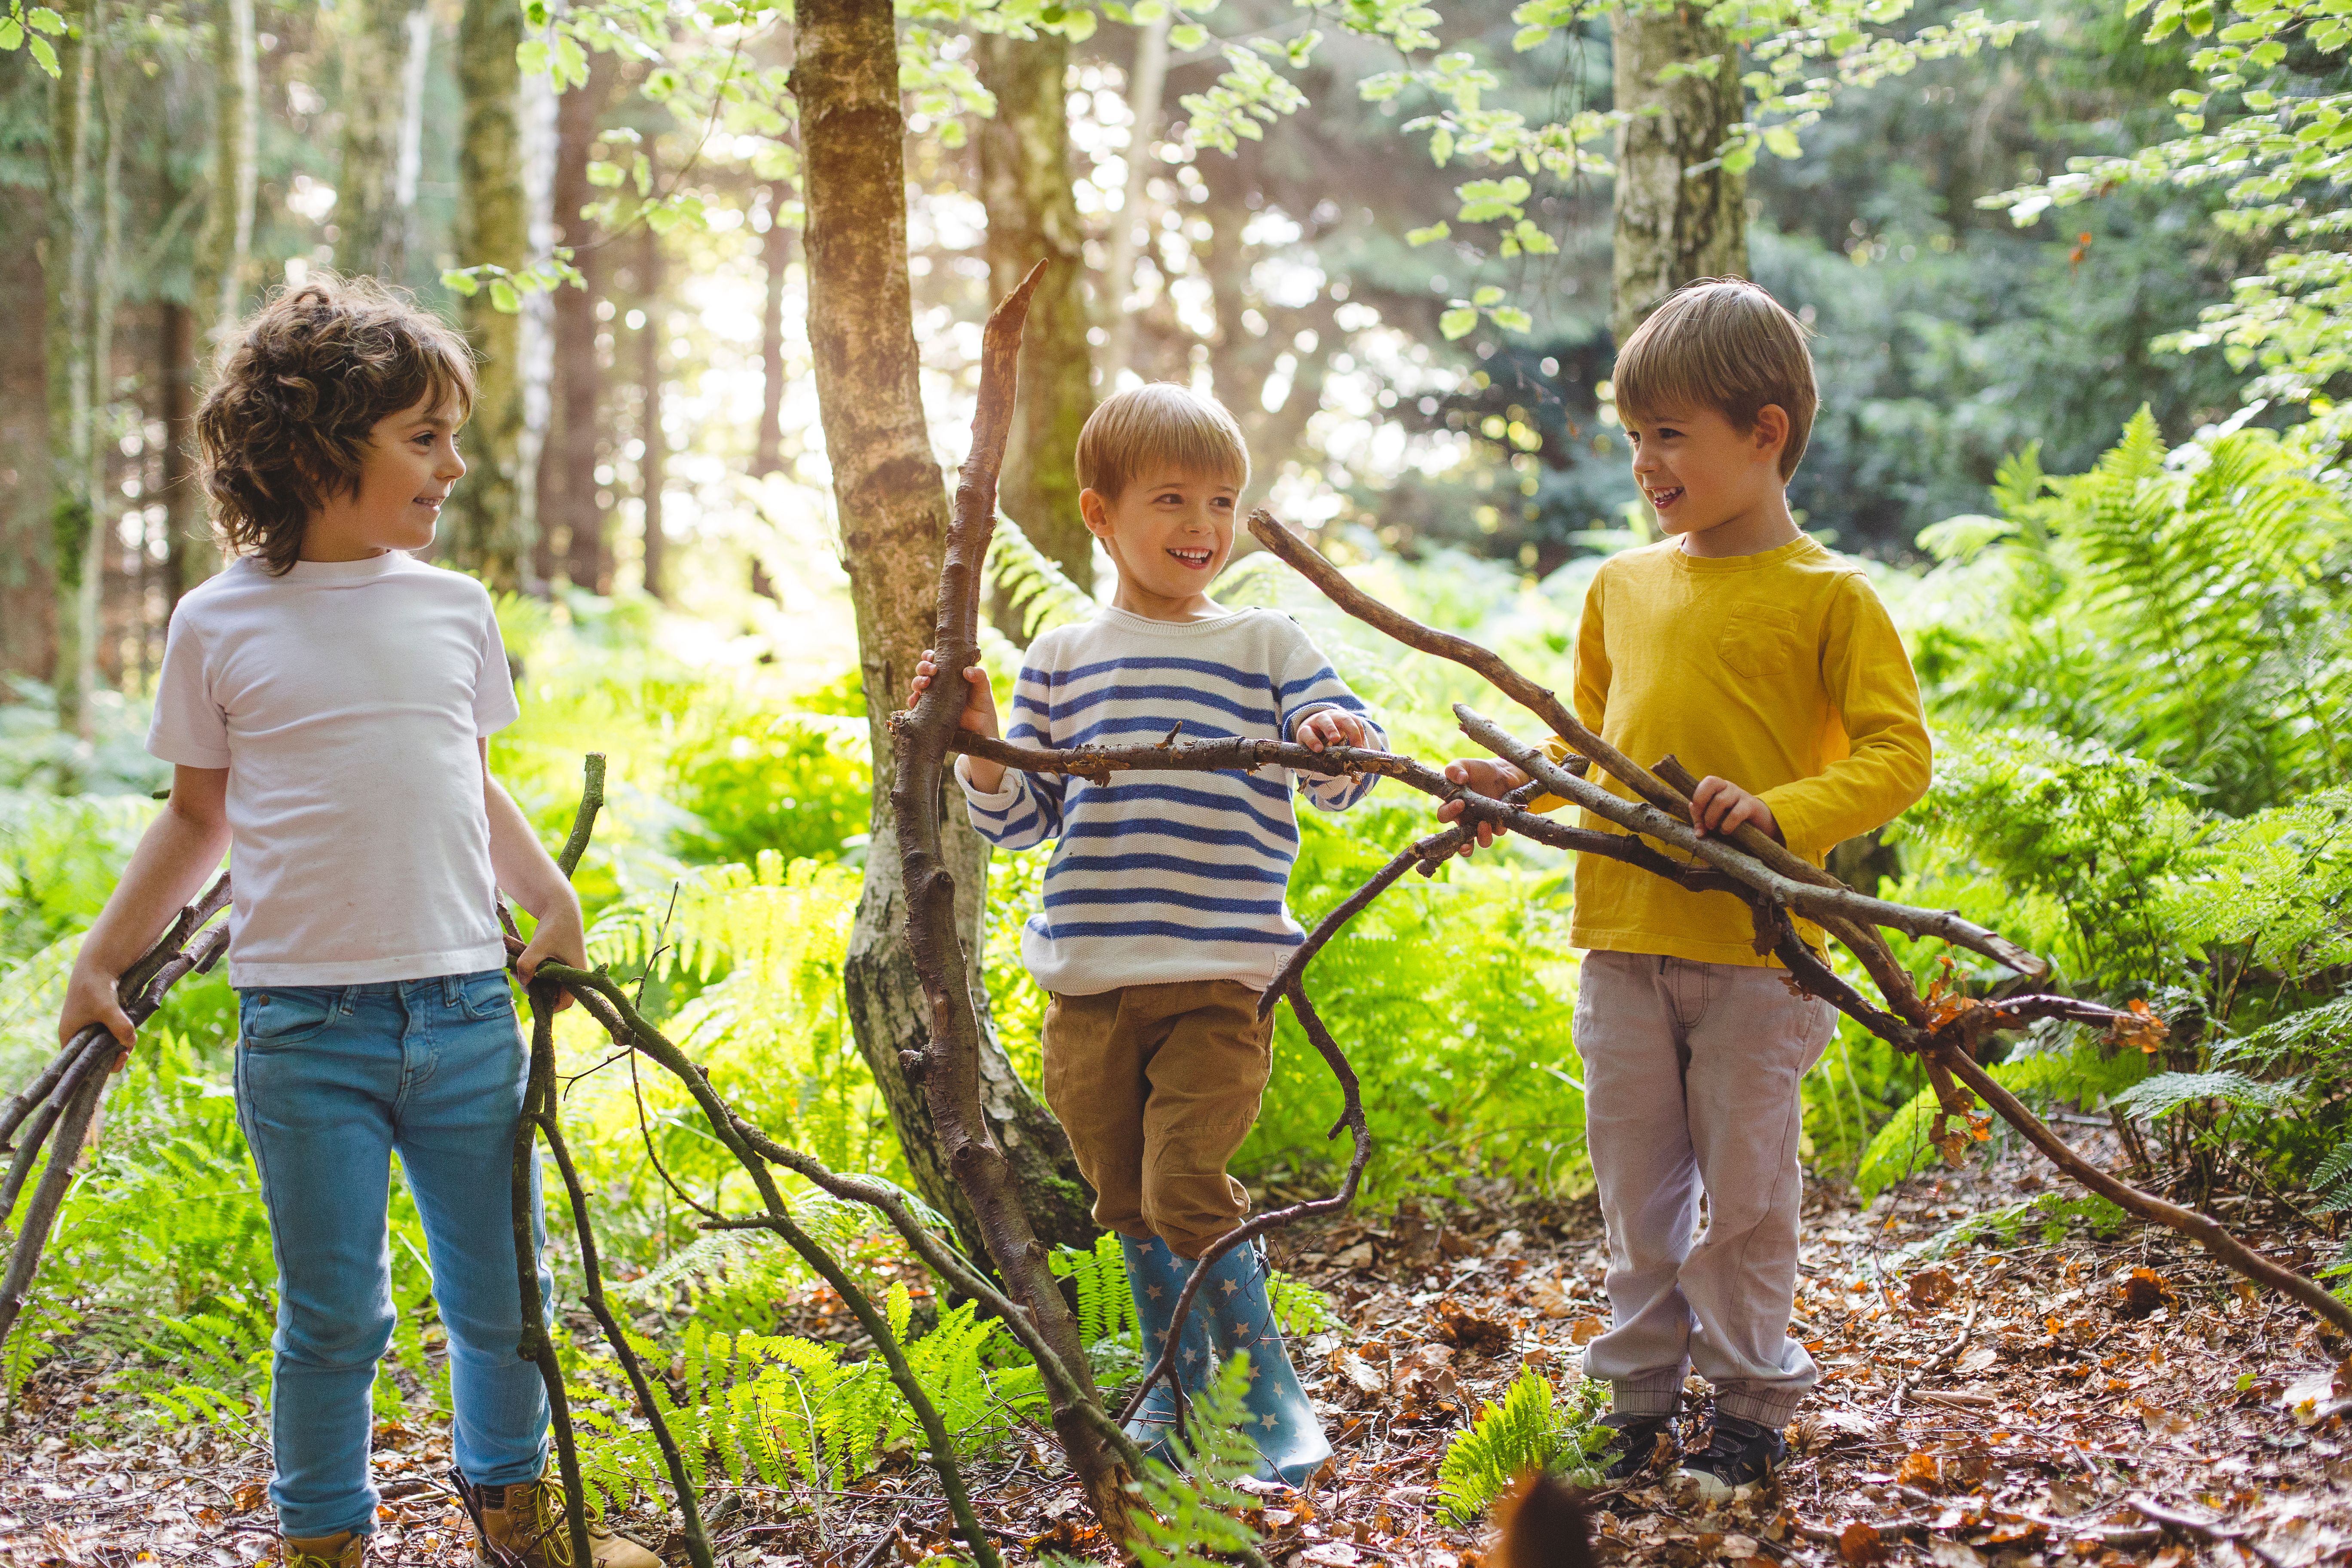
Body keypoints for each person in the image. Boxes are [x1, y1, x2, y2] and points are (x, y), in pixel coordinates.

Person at [54, 276, 654, 1568]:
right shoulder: (218, 620)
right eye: (424, 438)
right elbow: (197, 818)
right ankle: (321, 1538)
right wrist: (101, 958)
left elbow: (466, 781)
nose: (453, 466)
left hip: (465, 1012)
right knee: (334, 1315)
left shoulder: (453, 608)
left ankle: (515, 1518)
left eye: (453, 437)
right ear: (321, 448)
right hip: (303, 1029)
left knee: (507, 1297)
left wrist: (549, 897)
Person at [1439, 280, 1932, 1499]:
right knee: (1636, 1191)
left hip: (1763, 958)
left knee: (1748, 1198)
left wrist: (1781, 811)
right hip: (1621, 940)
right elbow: (1588, 751)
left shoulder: (1831, 596)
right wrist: (1510, 784)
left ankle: (1751, 1406)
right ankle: (1639, 1401)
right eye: (1633, 436)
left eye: (1670, 434)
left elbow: (1898, 756)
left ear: (1765, 433)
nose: (1645, 462)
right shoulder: (1621, 586)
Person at [907, 383, 1387, 1485]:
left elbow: (1344, 772)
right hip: (1090, 985)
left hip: (1220, 977)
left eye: (1222, 501)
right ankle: (1176, 1393)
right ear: (1101, 513)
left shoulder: (1265, 643)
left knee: (1185, 1188)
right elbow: (1022, 821)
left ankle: (1268, 1404)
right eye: (1172, 499)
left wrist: (1334, 730)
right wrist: (982, 745)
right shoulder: (1064, 655)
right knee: (1125, 1202)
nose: (1202, 525)